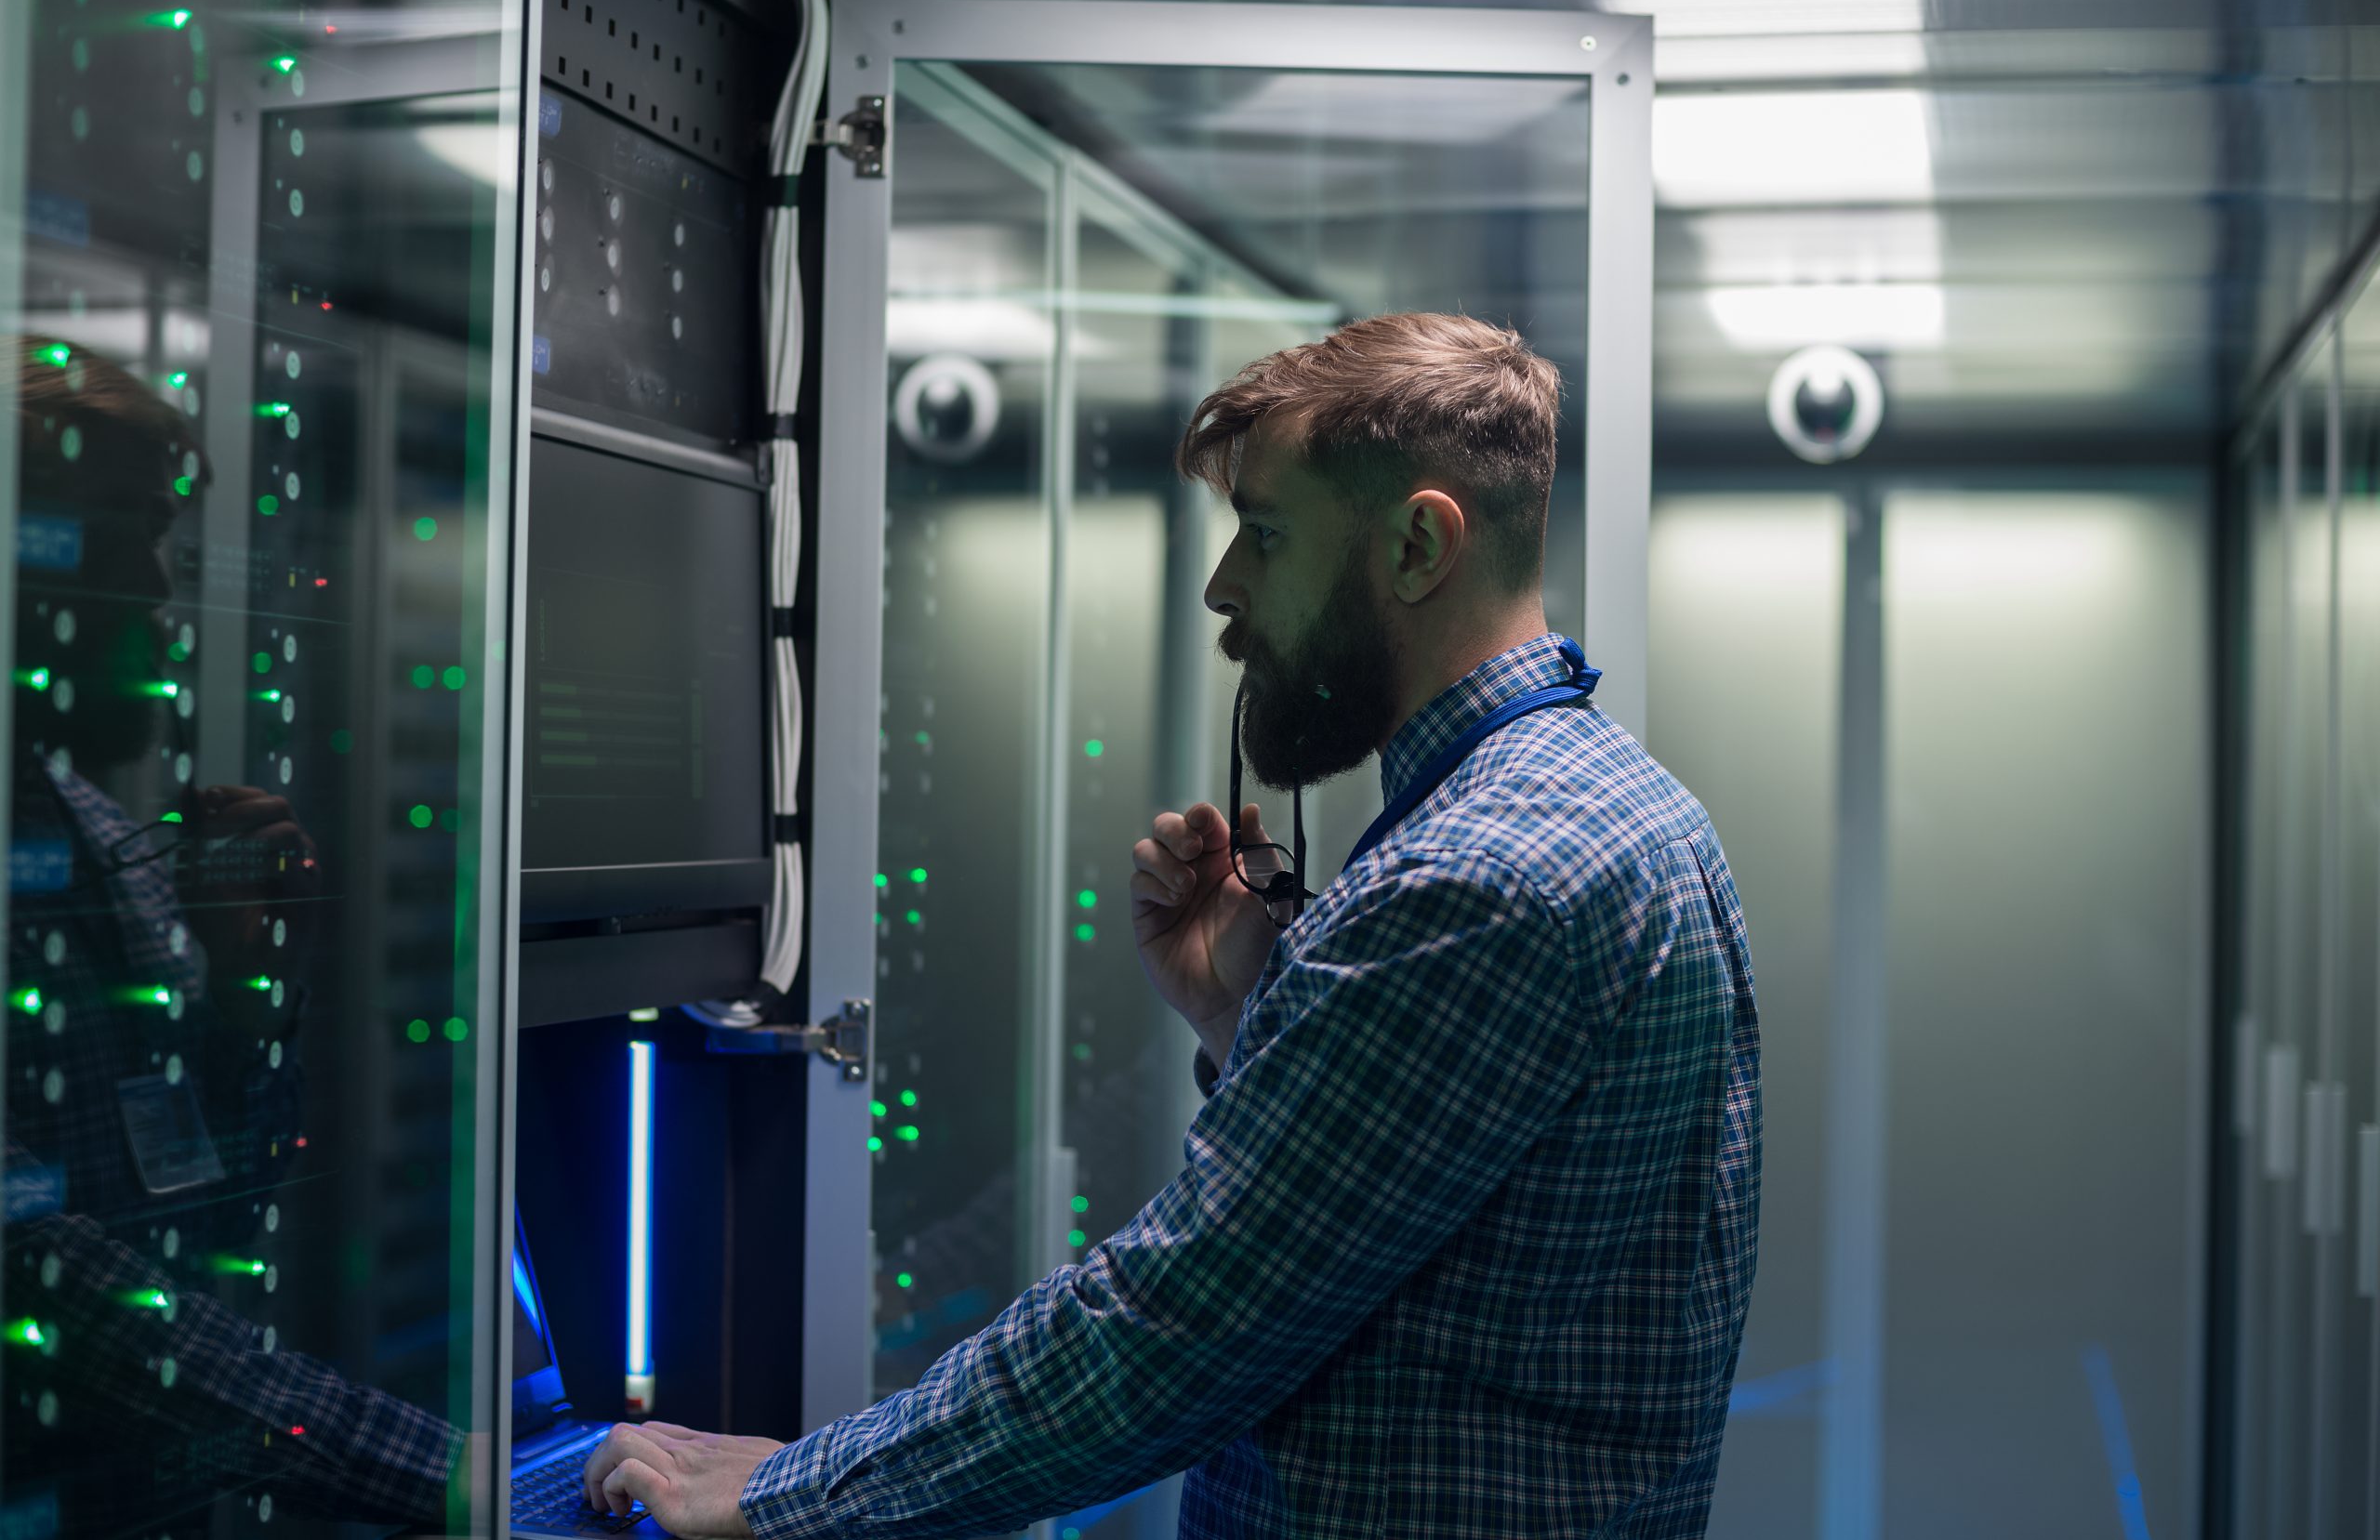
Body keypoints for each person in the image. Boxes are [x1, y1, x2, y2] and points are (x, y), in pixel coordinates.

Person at [583, 312, 1763, 1538]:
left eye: (1264, 534)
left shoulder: (1477, 873)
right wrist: (1244, 1011)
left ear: (1420, 542)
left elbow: (1177, 1326)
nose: (1224, 589)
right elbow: (1469, 1260)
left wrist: (784, 1493)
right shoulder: (1607, 800)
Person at [5, 339, 464, 1535]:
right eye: (122, 532)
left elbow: (220, 1202)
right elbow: (41, 1271)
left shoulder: (92, 832)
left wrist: (247, 989)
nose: (156, 590)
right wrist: (455, 1475)